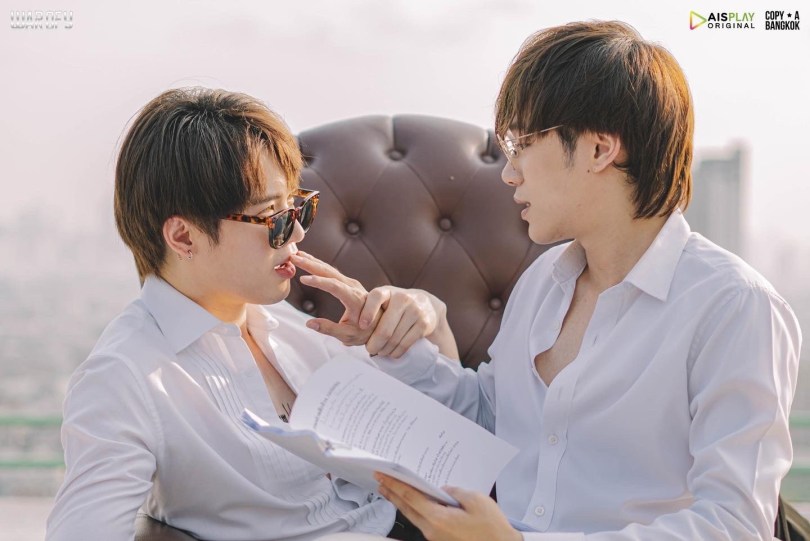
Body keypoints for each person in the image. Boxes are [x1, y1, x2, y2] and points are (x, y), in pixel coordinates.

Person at [305, 21, 802, 540]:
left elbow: (735, 525)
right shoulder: (543, 281)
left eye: (521, 143)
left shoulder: (735, 308)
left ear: (599, 149)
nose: (508, 172)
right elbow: (496, 418)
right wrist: (395, 342)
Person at [45, 87, 452, 541]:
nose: (296, 232)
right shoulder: (125, 377)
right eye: (272, 218)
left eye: (297, 208)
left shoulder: (292, 327)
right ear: (183, 238)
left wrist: (422, 324)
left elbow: (456, 435)